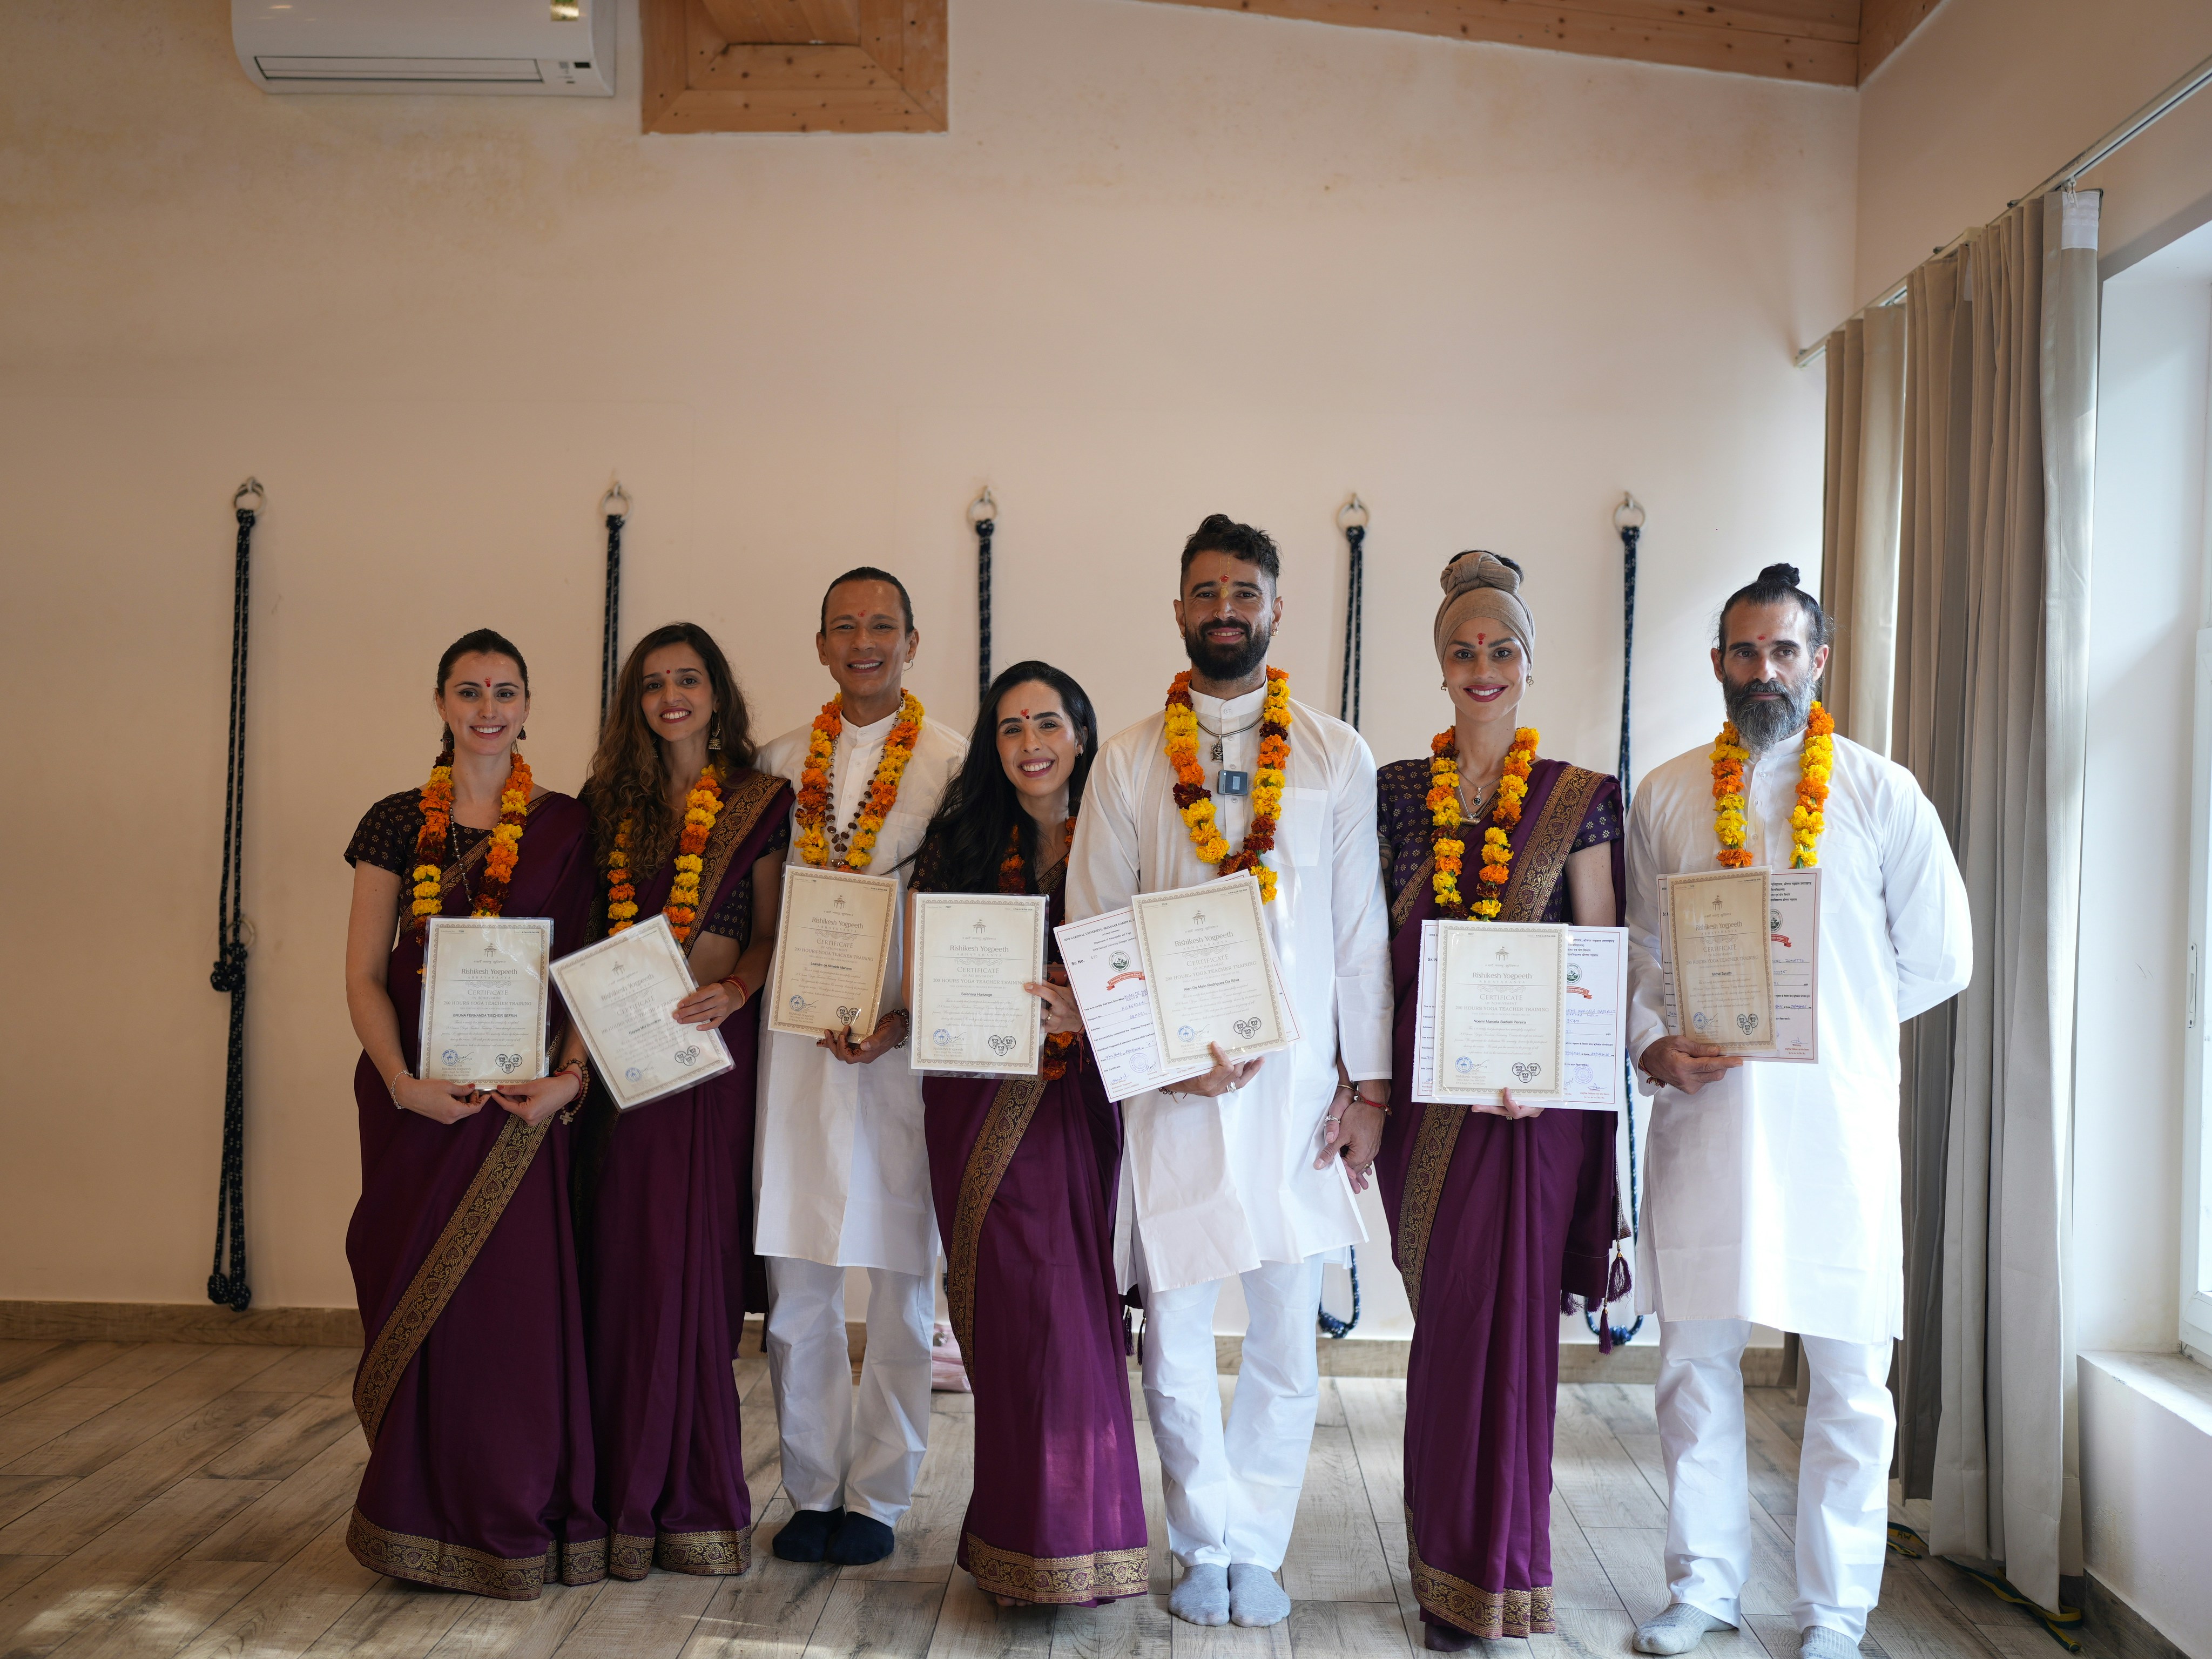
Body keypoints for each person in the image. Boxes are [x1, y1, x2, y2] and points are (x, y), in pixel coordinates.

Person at [1624, 564, 1971, 1659]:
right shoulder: (1667, 794)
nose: (1763, 670)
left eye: (1783, 651)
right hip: (1707, 1121)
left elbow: (1942, 957)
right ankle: (1702, 1587)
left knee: (1850, 1378)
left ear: (1817, 662)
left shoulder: (1878, 791)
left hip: (1835, 1131)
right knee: (1693, 1366)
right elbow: (1639, 951)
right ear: (1717, 663)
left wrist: (1839, 1021)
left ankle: (1834, 1609)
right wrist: (1653, 1042)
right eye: (1745, 651)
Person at [1065, 514, 1392, 1630]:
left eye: (1243, 593)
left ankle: (1259, 1544)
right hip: (1176, 1096)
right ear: (1177, 609)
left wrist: (1368, 1091)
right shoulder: (1125, 761)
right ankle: (1200, 1543)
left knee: (1285, 1332)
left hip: (1298, 1096)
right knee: (1175, 1334)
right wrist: (1157, 1067)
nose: (1224, 610)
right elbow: (1095, 930)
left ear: (1275, 609)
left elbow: (1358, 934)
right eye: (1205, 592)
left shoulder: (1334, 755)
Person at [1372, 552, 1624, 1651]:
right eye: (1463, 650)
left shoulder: (1580, 797)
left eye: (1503, 649)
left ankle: (1501, 1574)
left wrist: (1550, 1078)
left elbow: (1598, 954)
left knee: (1511, 1331)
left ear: (1529, 662)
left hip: (1534, 1113)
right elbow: (1365, 949)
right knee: (1450, 1325)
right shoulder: (1394, 793)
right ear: (1440, 664)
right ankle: (1444, 1566)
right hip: (1431, 1100)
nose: (1483, 667)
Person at [340, 628, 604, 1598]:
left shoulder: (569, 826)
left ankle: (509, 1514)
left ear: (527, 705)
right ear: (441, 702)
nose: (487, 708)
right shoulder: (394, 822)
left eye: (504, 691)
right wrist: (402, 1083)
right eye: (468, 690)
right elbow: (364, 976)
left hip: (521, 1113)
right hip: (418, 1105)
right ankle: (414, 1513)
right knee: (419, 1296)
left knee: (511, 1317)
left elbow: (588, 972)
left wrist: (569, 1079)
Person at [909, 660, 1150, 1609]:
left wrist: (1086, 1014)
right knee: (1010, 1322)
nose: (1031, 744)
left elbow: (1153, 968)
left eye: (1048, 723)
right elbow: (929, 969)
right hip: (972, 1103)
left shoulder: (1123, 834)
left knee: (1070, 1314)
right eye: (1010, 728)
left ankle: (1077, 1540)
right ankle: (1022, 1541)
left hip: (1080, 1104)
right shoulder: (960, 842)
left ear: (1082, 736)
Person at [561, 622, 792, 1580]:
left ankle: (692, 1502)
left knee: (694, 1273)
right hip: (622, 1074)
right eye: (653, 684)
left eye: (688, 679)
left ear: (717, 693)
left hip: (709, 1061)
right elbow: (578, 936)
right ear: (635, 703)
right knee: (623, 1270)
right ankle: (614, 1503)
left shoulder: (757, 800)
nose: (671, 698)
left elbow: (772, 933)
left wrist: (733, 991)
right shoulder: (603, 809)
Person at [753, 567, 968, 1566]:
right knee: (798, 1278)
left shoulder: (955, 765)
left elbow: (965, 918)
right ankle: (810, 1488)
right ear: (821, 645)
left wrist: (904, 1017)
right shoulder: (775, 764)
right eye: (844, 625)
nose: (864, 641)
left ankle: (879, 1497)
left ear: (913, 642)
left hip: (902, 1057)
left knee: (899, 1283)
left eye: (883, 625)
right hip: (798, 1054)